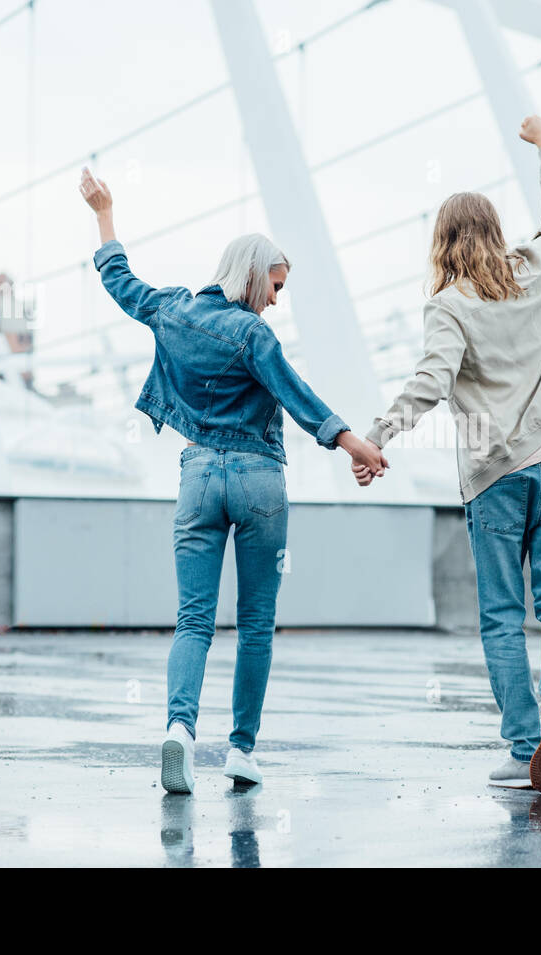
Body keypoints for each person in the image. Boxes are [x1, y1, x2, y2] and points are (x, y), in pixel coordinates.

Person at [79, 167, 387, 793]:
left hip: (197, 477)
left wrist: (104, 213)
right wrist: (353, 441)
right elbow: (297, 397)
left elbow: (118, 280)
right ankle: (242, 750)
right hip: (257, 479)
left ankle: (179, 730)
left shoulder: (171, 310)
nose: (275, 299)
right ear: (252, 274)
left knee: (193, 618)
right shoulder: (253, 333)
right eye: (274, 285)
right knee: (255, 622)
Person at [353, 116, 541, 794]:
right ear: (493, 232)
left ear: (443, 242)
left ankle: (523, 744)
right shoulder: (536, 267)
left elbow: (431, 381)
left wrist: (378, 436)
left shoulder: (449, 305)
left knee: (501, 615)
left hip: (495, 479)